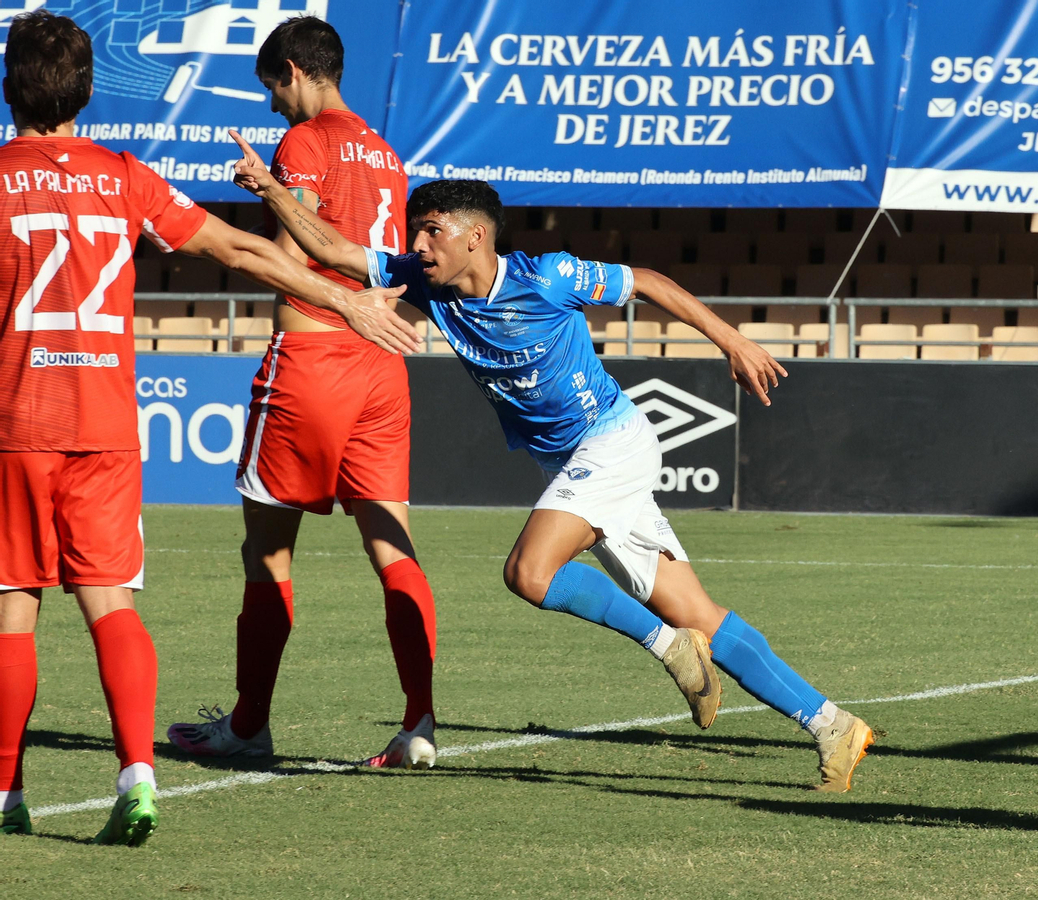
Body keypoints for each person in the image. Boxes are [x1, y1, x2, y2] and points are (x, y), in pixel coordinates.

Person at [229, 138, 876, 790]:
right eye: (415, 230)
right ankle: (832, 724)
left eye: (432, 230)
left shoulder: (549, 277)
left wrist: (730, 339)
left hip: (613, 442)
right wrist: (272, 190)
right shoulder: (425, 281)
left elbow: (645, 281)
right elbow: (334, 250)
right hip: (575, 463)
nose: (419, 245)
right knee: (699, 612)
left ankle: (669, 648)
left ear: (476, 235)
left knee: (529, 572)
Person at [0, 11, 414, 844]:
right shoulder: (124, 175)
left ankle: (6, 791)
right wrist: (345, 299)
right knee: (110, 603)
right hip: (109, 424)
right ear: (87, 90)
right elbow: (239, 249)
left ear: (9, 89)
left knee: (12, 607)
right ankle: (137, 774)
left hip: (15, 419)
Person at [167, 16, 440, 771]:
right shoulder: (385, 153)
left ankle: (249, 725)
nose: (272, 107)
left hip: (313, 362)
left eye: (272, 89)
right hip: (382, 368)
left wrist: (266, 197)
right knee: (394, 549)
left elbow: (295, 253)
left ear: (293, 69)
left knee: (268, 555)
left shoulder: (304, 142)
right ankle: (419, 721)